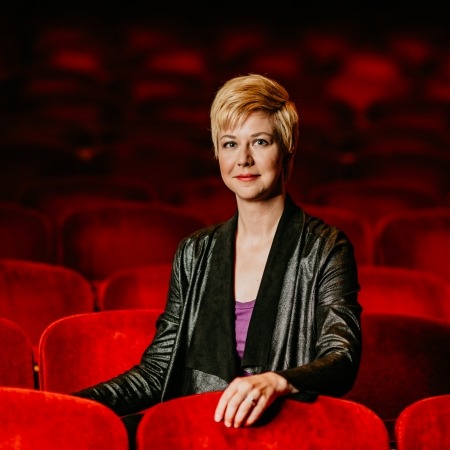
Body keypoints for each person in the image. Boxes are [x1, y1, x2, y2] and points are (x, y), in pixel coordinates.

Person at [72, 73, 362, 442]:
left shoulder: (325, 247)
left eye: (259, 141)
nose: (243, 159)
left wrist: (278, 382)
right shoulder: (195, 252)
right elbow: (159, 370)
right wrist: (72, 405)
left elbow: (342, 357)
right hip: (199, 432)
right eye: (229, 144)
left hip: (286, 435)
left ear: (286, 149)